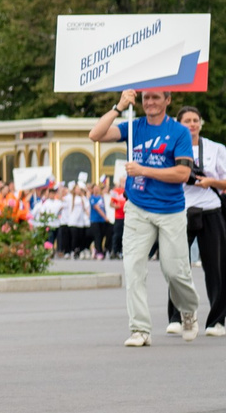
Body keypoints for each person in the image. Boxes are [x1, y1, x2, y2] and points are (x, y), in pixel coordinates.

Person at [88, 86, 203, 350]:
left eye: (155, 97)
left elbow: (183, 175)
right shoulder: (133, 126)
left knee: (174, 271)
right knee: (133, 268)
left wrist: (144, 170)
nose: (149, 102)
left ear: (167, 100)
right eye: (146, 98)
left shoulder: (179, 132)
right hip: (137, 208)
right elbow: (95, 134)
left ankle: (188, 310)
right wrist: (118, 107)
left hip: (171, 210)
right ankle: (140, 329)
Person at [176, 109, 225, 336]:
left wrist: (210, 181)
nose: (192, 124)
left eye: (195, 120)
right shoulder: (172, 147)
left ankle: (217, 320)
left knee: (215, 266)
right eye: (187, 121)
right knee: (176, 265)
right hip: (180, 210)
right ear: (179, 124)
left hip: (210, 209)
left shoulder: (216, 148)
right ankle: (176, 317)